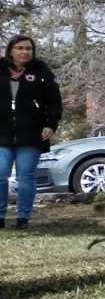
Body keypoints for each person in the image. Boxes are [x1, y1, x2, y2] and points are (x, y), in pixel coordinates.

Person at [1, 35, 62, 229]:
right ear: (11, 50)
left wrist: (50, 124)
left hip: (31, 134)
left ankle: (23, 217)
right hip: (2, 134)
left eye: (28, 48)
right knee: (0, 174)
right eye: (19, 48)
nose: (24, 52)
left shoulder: (41, 71)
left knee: (25, 177)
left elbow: (54, 101)